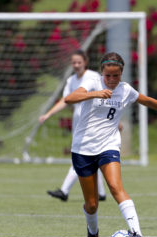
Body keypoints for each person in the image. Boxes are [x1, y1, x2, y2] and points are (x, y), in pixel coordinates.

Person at [64, 52, 157, 237]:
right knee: (92, 204)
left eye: (116, 76)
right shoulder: (93, 82)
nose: (111, 80)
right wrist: (94, 94)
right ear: (102, 72)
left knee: (115, 186)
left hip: (108, 146)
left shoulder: (125, 90)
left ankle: (136, 233)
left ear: (121, 73)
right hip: (83, 148)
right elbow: (69, 98)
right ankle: (92, 232)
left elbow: (147, 101)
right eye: (108, 76)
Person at [39, 50, 107, 202]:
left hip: (92, 123)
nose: (76, 65)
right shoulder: (71, 81)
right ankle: (101, 194)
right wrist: (48, 114)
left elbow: (105, 99)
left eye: (79, 62)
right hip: (79, 123)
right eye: (74, 63)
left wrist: (112, 121)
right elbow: (65, 100)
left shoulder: (93, 77)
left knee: (81, 156)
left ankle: (64, 190)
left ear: (85, 62)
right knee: (92, 156)